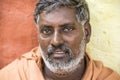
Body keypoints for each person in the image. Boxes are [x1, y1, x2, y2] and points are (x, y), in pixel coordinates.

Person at [0, 0, 120, 80]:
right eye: (46, 31)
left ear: (87, 33)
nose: (56, 41)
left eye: (67, 29)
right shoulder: (15, 75)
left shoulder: (107, 78)